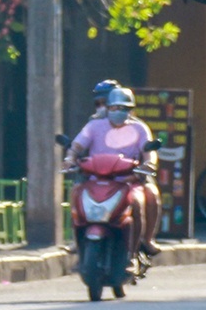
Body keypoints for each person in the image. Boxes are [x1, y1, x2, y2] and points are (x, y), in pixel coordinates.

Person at [66, 86, 160, 255]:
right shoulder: (94, 126)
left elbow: (148, 152)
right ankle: (77, 241)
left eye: (123, 108)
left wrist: (148, 164)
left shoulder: (139, 128)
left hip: (127, 181)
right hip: (96, 180)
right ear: (108, 108)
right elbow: (77, 146)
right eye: (114, 108)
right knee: (76, 193)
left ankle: (138, 248)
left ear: (131, 110)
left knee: (141, 201)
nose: (118, 112)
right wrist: (70, 158)